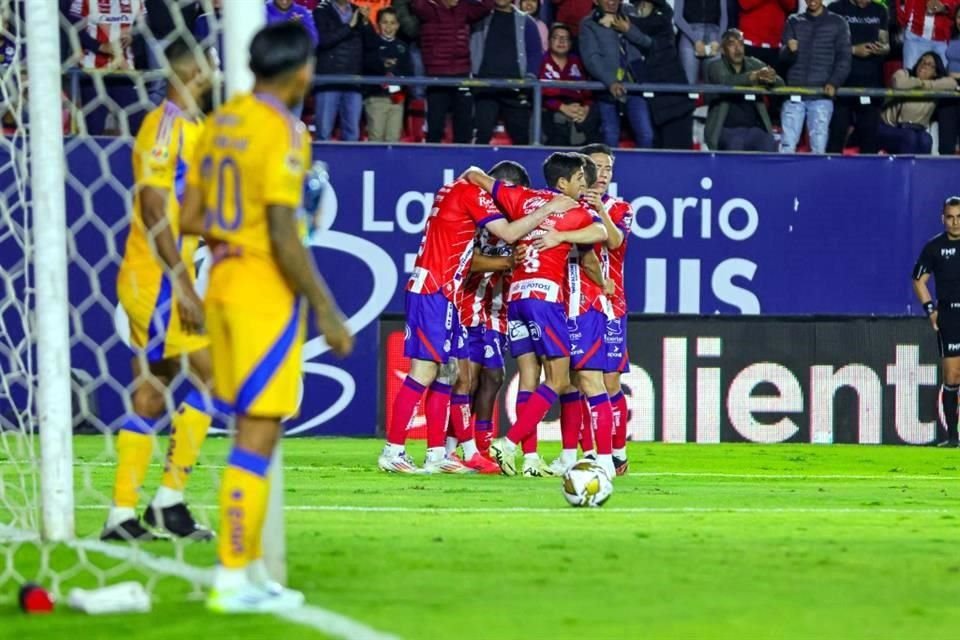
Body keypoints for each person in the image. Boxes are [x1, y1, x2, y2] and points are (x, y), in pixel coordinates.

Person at [180, 21, 354, 612]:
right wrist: (328, 310)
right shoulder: (283, 130)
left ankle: (248, 567)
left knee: (252, 431)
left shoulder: (219, 123)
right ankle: (232, 578)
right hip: (263, 291)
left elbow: (192, 215)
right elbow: (283, 230)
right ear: (302, 70)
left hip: (222, 281)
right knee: (257, 433)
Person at [379, 161, 577, 473]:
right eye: (509, 196)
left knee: (451, 374)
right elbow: (510, 232)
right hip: (435, 289)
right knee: (424, 372)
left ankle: (437, 455)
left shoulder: (455, 189)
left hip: (445, 293)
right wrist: (546, 209)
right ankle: (393, 451)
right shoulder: (473, 194)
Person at [102, 39, 214, 544]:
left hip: (166, 277)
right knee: (211, 375)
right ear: (192, 71)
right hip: (158, 281)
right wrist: (183, 282)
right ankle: (165, 501)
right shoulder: (166, 124)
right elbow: (152, 208)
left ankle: (125, 514)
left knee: (153, 392)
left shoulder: (196, 129)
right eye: (207, 64)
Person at [464, 153, 610, 478]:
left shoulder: (522, 198)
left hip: (515, 297)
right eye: (580, 181)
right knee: (559, 379)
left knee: (529, 377)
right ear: (564, 183)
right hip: (545, 298)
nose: (583, 188)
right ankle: (510, 443)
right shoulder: (572, 209)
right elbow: (601, 235)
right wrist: (562, 236)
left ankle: (530, 461)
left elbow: (475, 175)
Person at [578, 143, 633, 475]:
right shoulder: (567, 203)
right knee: (579, 381)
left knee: (610, 381)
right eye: (598, 167)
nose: (604, 174)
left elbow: (614, 243)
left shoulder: (620, 207)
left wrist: (599, 210)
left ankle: (617, 451)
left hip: (611, 303)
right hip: (575, 303)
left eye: (609, 168)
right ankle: (585, 451)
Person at [912, 196, 960, 447]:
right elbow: (918, 279)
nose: (955, 222)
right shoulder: (934, 247)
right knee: (952, 377)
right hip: (950, 316)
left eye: (959, 217)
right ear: (943, 218)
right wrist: (931, 310)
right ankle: (953, 437)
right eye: (950, 217)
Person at [412, 0, 494, 143]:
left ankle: (463, 161)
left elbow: (486, 6)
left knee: (464, 127)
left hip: (461, 74)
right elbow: (416, 4)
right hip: (437, 76)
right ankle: (432, 161)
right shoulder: (429, 9)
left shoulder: (464, 8)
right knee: (435, 126)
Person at [778, 0, 851, 154]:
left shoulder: (838, 22)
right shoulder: (793, 21)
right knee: (787, 147)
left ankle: (815, 178)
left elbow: (844, 58)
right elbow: (782, 59)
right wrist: (789, 51)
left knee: (818, 149)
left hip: (821, 95)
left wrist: (834, 82)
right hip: (794, 93)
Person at [579, 0, 654, 148]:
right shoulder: (588, 23)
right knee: (610, 135)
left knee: (646, 135)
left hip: (634, 86)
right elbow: (592, 58)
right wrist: (610, 81)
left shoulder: (631, 15)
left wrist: (628, 30)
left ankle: (644, 170)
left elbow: (647, 43)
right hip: (606, 89)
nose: (612, 2)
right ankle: (609, 170)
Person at [469, 0, 542, 145]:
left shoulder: (526, 21)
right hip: (485, 87)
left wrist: (529, 77)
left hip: (515, 88)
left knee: (521, 138)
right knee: (482, 136)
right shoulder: (479, 16)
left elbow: (534, 52)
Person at [630, 0, 696, 149]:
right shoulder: (633, 16)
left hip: (675, 106)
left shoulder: (662, 17)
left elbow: (649, 26)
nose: (640, 8)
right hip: (655, 108)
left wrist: (626, 25)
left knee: (678, 158)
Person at [704, 28, 782, 151]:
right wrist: (753, 77)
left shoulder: (753, 63)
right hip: (727, 129)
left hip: (754, 129)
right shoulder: (715, 66)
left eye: (740, 43)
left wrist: (771, 79)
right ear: (723, 50)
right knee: (736, 144)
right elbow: (726, 82)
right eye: (732, 44)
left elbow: (781, 84)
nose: (737, 48)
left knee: (769, 144)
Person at [827, 0, 889, 154]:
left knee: (869, 141)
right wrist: (854, 50)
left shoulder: (880, 10)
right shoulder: (835, 9)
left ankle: (869, 176)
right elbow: (826, 43)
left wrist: (882, 48)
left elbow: (886, 42)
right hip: (842, 83)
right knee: (837, 136)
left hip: (871, 84)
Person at [877, 52, 959, 154]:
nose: (923, 65)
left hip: (916, 131)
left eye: (929, 64)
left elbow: (952, 83)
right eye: (922, 61)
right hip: (888, 128)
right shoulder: (903, 74)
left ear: (935, 72)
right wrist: (921, 82)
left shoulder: (936, 85)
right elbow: (900, 84)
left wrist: (925, 84)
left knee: (926, 139)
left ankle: (920, 170)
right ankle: (905, 170)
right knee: (909, 136)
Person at [539, 22, 602, 146]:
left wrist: (585, 109)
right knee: (556, 124)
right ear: (549, 41)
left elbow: (588, 92)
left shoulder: (577, 61)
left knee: (596, 116)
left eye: (566, 38)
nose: (561, 41)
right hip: (550, 108)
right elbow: (540, 93)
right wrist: (562, 107)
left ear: (571, 43)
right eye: (557, 37)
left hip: (578, 108)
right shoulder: (541, 61)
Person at [314, 0, 367, 141]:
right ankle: (322, 163)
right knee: (323, 133)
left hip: (353, 79)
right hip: (328, 79)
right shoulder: (321, 10)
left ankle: (351, 163)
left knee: (352, 134)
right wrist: (349, 26)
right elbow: (324, 40)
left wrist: (367, 24)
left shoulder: (358, 11)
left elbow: (370, 44)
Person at [362, 8, 413, 142]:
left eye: (392, 23)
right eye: (385, 22)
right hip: (376, 98)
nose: (388, 27)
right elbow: (367, 67)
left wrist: (398, 76)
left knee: (393, 141)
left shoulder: (403, 47)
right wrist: (382, 64)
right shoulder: (372, 44)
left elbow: (409, 73)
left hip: (397, 99)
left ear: (398, 25)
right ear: (378, 24)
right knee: (376, 139)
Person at [673, 0, 729, 84]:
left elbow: (724, 18)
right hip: (689, 37)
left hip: (714, 38)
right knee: (689, 84)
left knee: (714, 85)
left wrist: (718, 41)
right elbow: (678, 18)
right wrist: (696, 40)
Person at [898, 0, 959, 69]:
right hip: (914, 37)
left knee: (941, 77)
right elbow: (901, 5)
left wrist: (944, 8)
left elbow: (957, 6)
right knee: (910, 76)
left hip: (942, 40)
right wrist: (906, 21)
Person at [938, 8, 960, 155]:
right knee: (946, 144)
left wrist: (956, 76)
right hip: (948, 90)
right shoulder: (953, 37)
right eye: (959, 17)